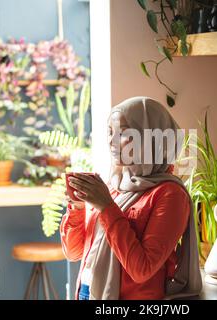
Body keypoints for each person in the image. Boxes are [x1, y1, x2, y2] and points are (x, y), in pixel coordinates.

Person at [60, 96, 202, 300]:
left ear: (152, 137)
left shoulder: (170, 194)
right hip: (87, 292)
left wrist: (107, 207)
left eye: (124, 132)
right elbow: (73, 252)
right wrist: (77, 206)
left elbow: (141, 269)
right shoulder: (113, 186)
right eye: (110, 132)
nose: (112, 141)